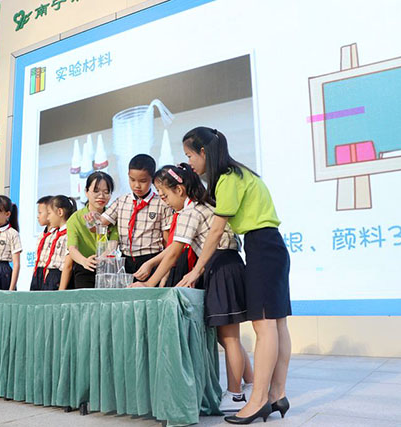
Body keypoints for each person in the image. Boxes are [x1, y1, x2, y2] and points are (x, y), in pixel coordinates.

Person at [178, 127, 291, 424]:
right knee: (277, 324)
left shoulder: (228, 178)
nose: (189, 162)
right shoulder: (243, 173)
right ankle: (276, 394)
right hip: (272, 246)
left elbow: (216, 231)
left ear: (204, 152)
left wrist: (197, 270)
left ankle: (258, 400)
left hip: (261, 248)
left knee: (264, 326)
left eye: (190, 155)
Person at [132, 164, 254, 411]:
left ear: (180, 189)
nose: (165, 202)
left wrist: (149, 284)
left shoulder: (192, 211)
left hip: (221, 267)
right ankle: (250, 382)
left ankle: (236, 394)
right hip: (226, 266)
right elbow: (174, 247)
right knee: (226, 335)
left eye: (165, 195)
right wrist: (152, 264)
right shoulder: (204, 206)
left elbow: (174, 253)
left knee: (229, 336)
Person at [92, 154, 172, 281]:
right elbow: (99, 225)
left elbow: (167, 242)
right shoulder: (121, 201)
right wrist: (91, 220)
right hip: (126, 262)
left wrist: (165, 272)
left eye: (143, 181)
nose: (137, 185)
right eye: (132, 180)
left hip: (151, 260)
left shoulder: (161, 204)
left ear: (152, 179)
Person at [66, 172, 118, 288]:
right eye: (96, 191)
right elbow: (72, 248)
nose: (101, 196)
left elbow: (114, 243)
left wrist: (103, 258)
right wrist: (84, 261)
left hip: (108, 267)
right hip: (85, 267)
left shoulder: (113, 216)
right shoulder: (75, 219)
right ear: (86, 192)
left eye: (106, 192)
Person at [40, 195, 76, 290]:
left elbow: (68, 266)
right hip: (50, 278)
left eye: (49, 213)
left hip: (60, 278)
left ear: (60, 212)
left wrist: (61, 291)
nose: (48, 218)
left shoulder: (69, 234)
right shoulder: (54, 234)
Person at [30, 196, 53, 291]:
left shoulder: (57, 235)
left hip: (49, 273)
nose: (38, 216)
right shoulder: (42, 236)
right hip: (38, 272)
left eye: (40, 213)